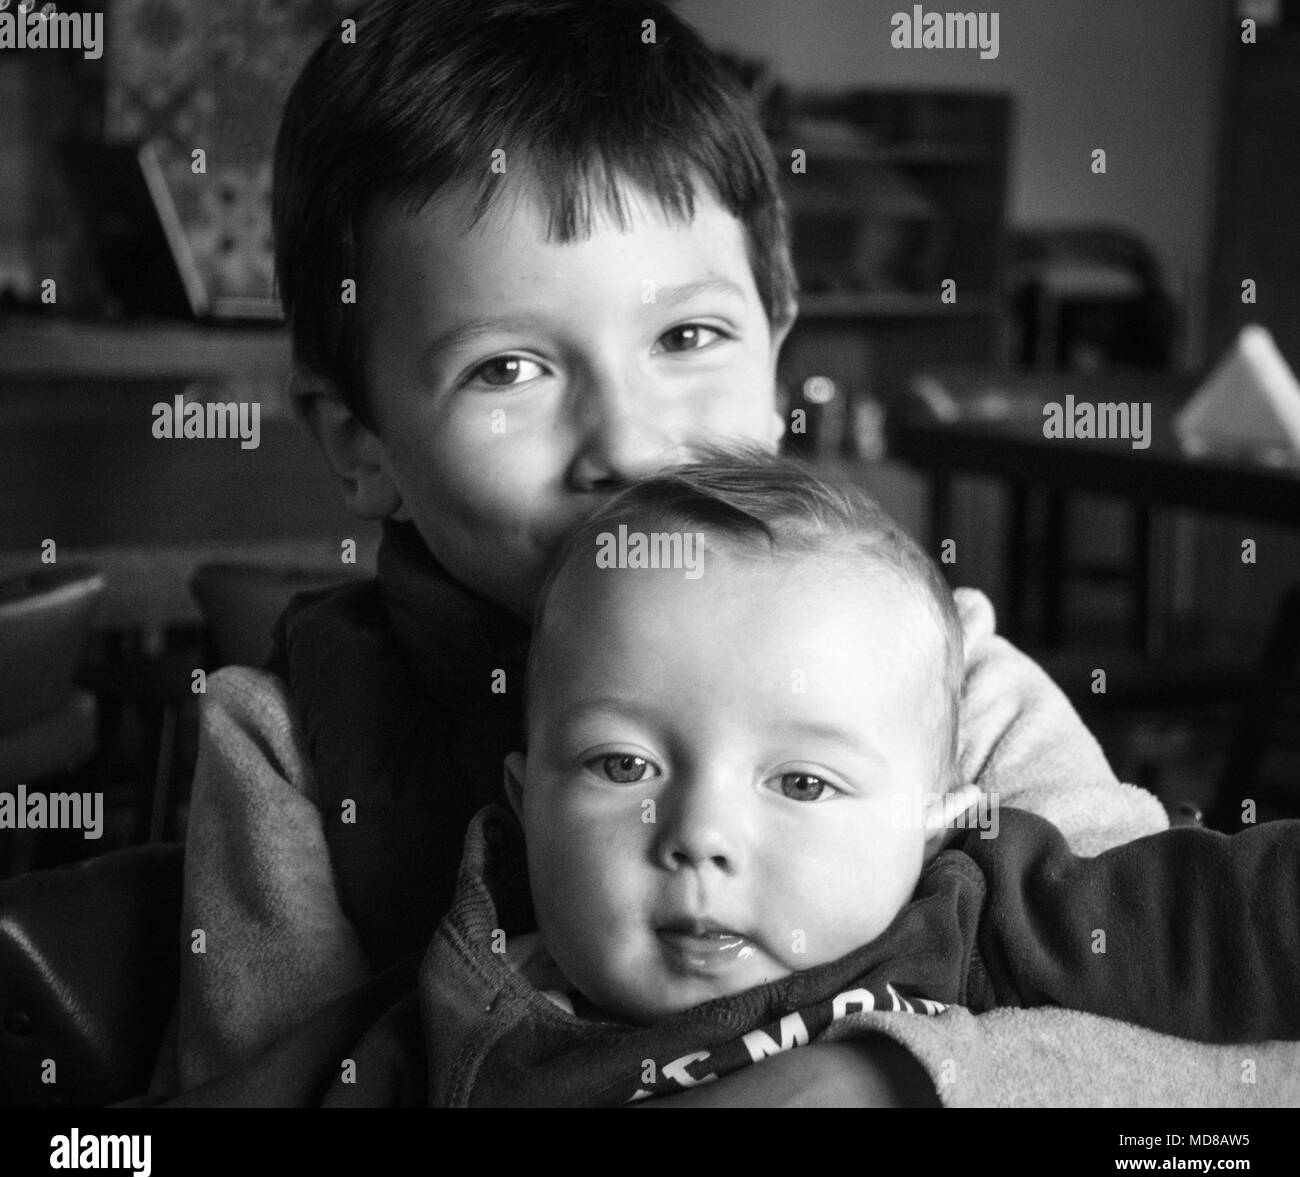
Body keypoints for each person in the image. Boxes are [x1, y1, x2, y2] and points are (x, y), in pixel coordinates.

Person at [155, 0, 1172, 1104]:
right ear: (360, 441)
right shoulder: (293, 748)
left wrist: (887, 1083)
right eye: (505, 369)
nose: (631, 446)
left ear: (777, 358)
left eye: (687, 338)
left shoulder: (952, 682)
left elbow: (1228, 1055)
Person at [425, 453, 1300, 1107]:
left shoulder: (970, 921)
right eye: (625, 767)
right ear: (526, 802)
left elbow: (1204, 917)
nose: (699, 834)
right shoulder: (470, 1002)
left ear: (931, 829)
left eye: (803, 784)